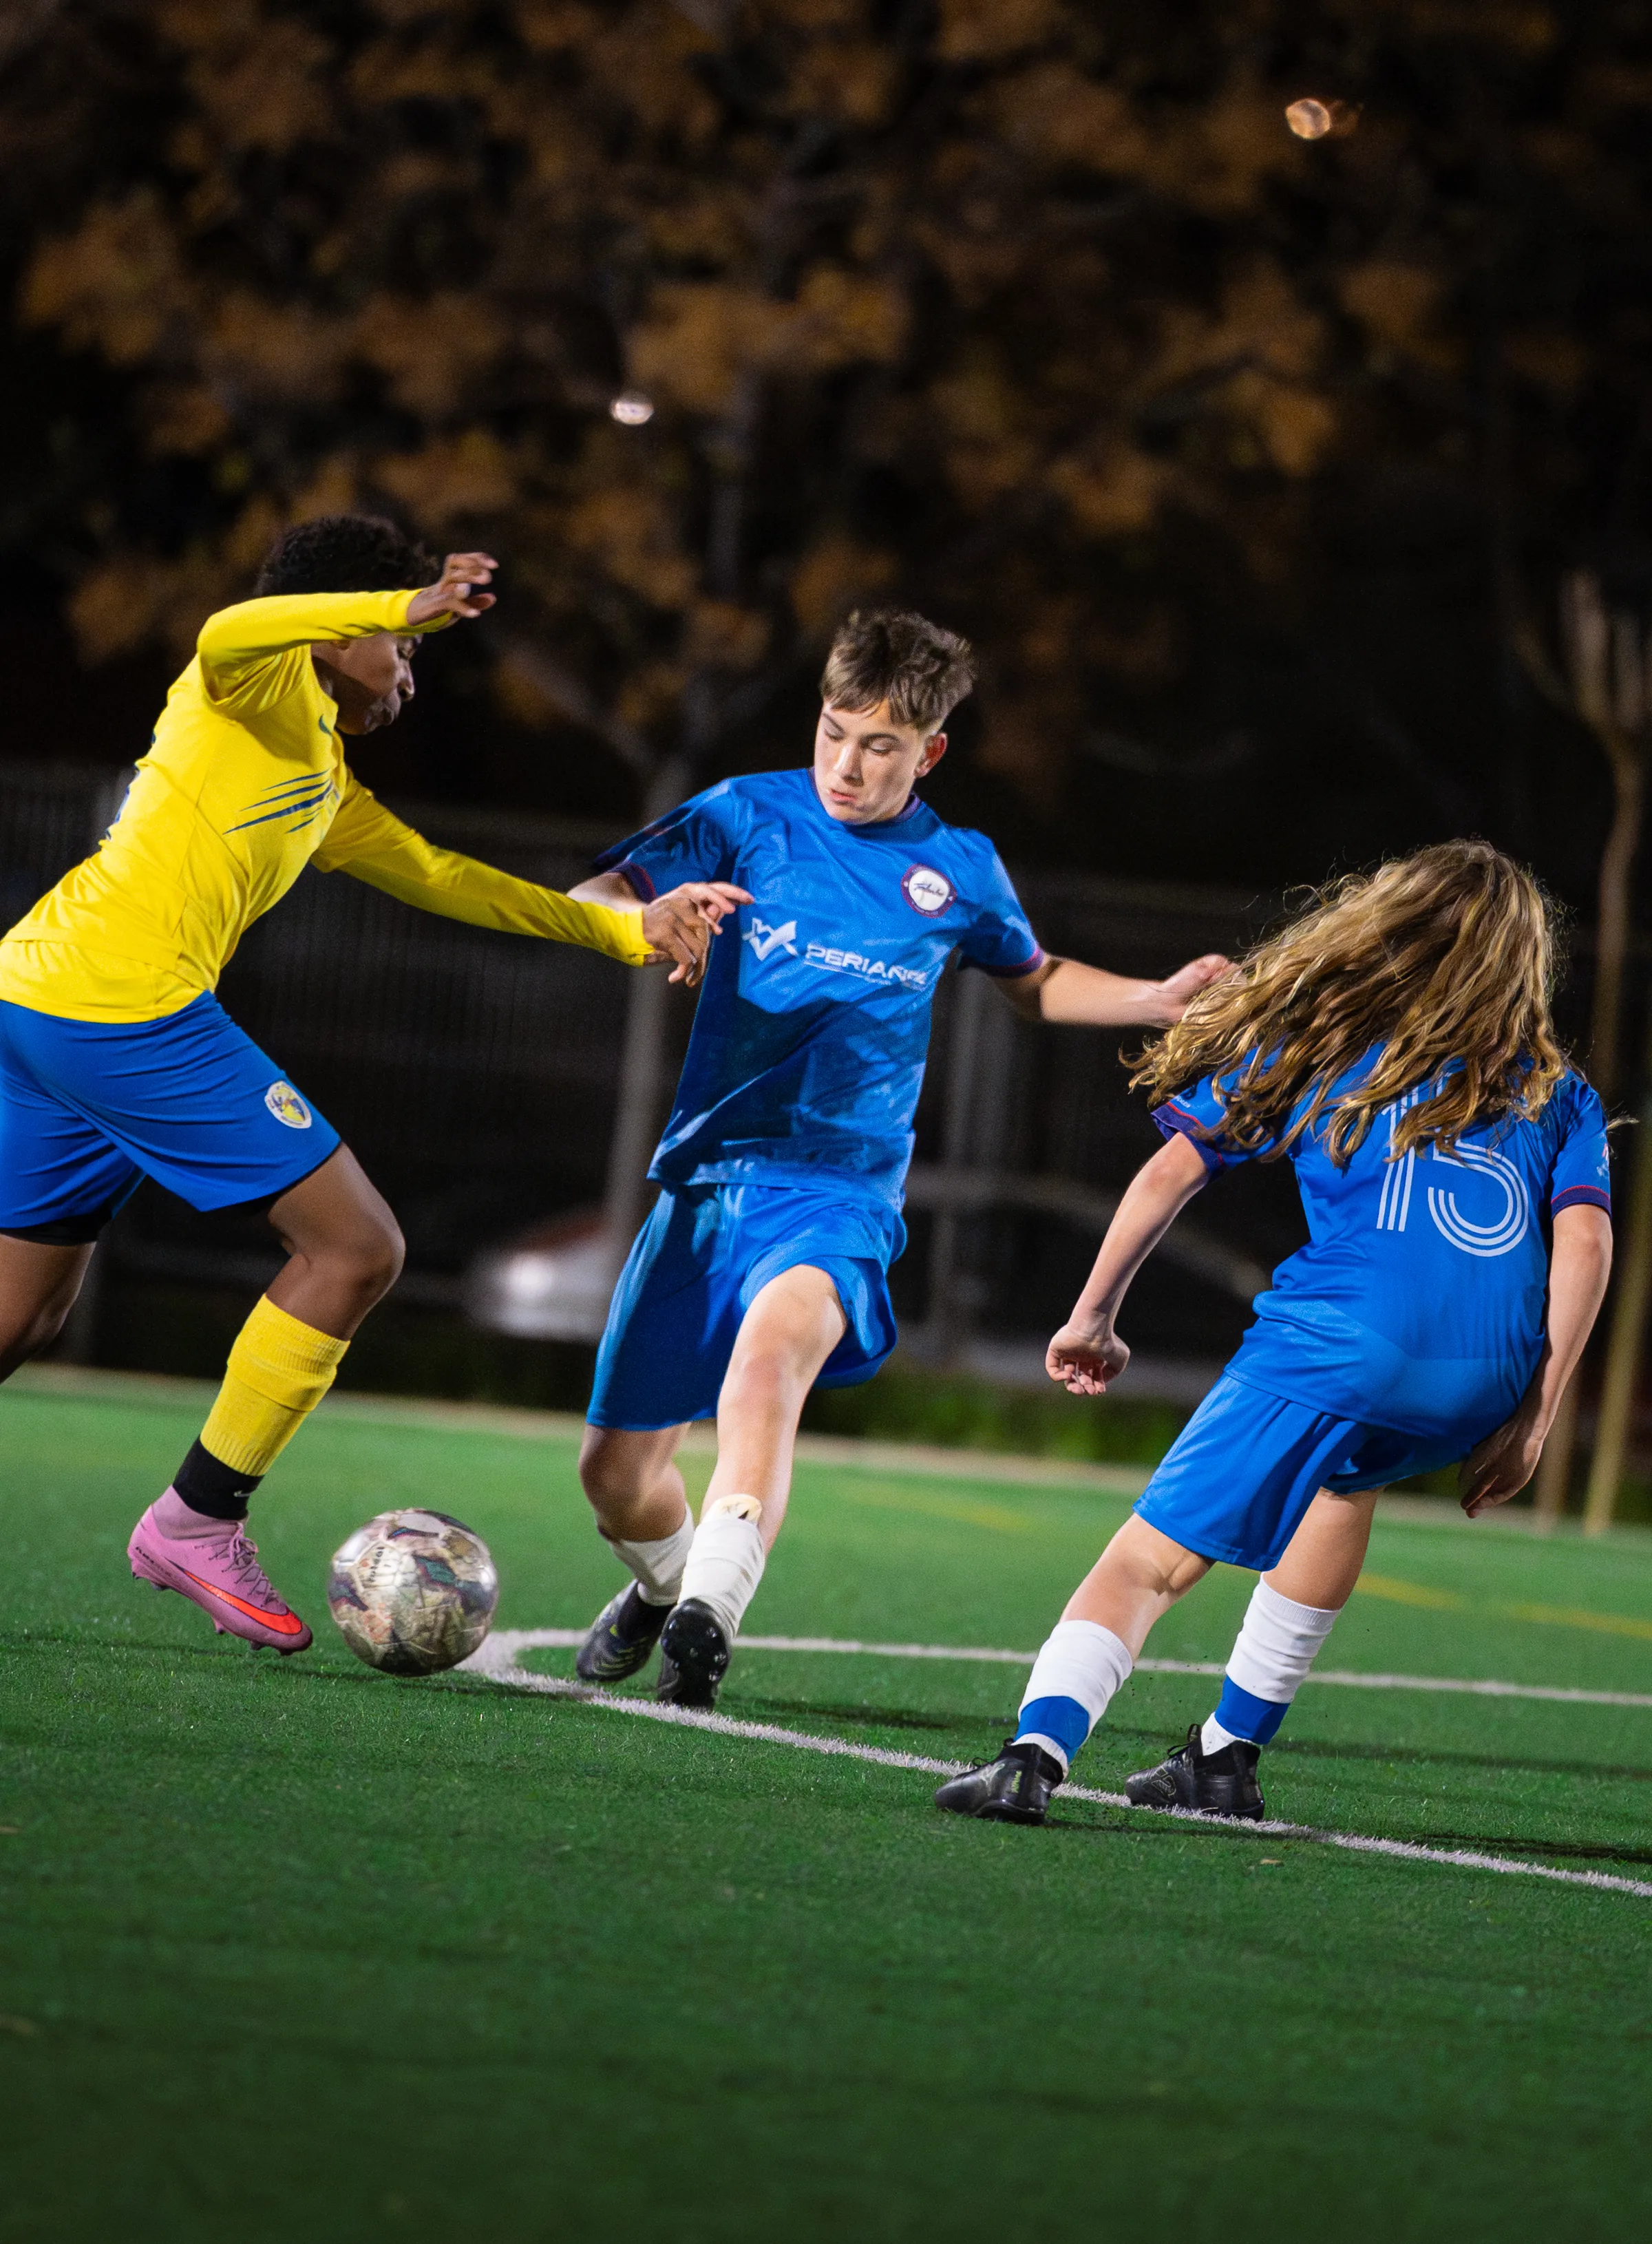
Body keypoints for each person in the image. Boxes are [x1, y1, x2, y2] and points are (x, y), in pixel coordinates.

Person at [0, 514, 741, 1653]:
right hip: (120, 1008)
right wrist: (404, 604)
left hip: (44, 1003)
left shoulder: (321, 774)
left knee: (21, 1315)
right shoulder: (245, 685)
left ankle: (192, 1517)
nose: (409, 668)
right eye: (402, 645)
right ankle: (197, 1517)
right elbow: (232, 624)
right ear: (343, 629)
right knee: (357, 1250)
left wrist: (632, 934)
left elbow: (450, 880)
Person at [564, 608, 1229, 1708]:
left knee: (767, 1367)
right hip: (705, 1186)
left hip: (837, 1192)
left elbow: (1032, 978)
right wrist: (644, 920)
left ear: (931, 752)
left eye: (880, 747)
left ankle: (710, 1618)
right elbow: (601, 898)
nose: (847, 765)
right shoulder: (745, 812)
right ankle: (667, 1583)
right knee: (616, 1481)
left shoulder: (957, 869)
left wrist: (1153, 998)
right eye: (834, 733)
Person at [935, 840, 1614, 1825]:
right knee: (1346, 1479)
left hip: (1343, 1344)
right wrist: (1538, 1416)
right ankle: (1222, 1758)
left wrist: (1093, 1314)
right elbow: (1585, 1242)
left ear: (1383, 930)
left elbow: (1173, 1170)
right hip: (1486, 1376)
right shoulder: (1561, 1089)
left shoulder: (1327, 1038)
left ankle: (1032, 1756)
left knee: (1147, 1562)